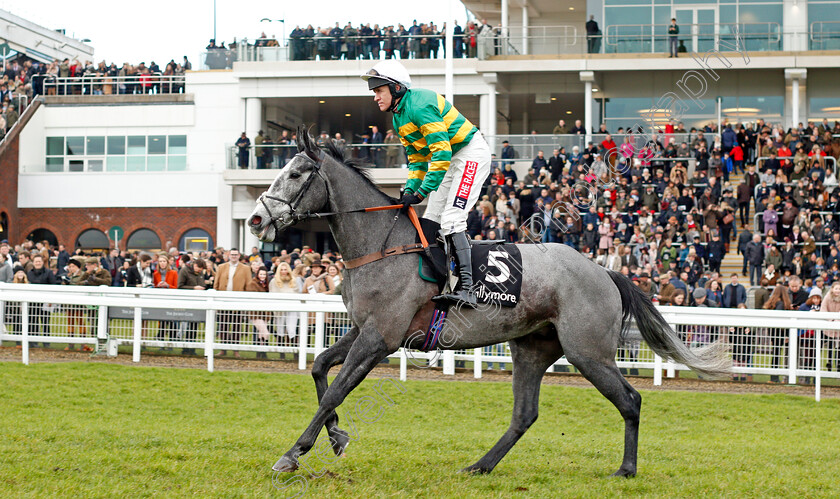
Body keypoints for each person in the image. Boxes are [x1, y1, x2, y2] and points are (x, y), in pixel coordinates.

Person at [362, 60, 490, 307]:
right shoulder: (399, 116)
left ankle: (469, 290)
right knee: (431, 218)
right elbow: (418, 159)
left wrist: (421, 192)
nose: (376, 97)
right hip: (451, 159)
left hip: (470, 153)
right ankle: (439, 281)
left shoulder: (419, 105)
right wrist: (410, 190)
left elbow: (440, 153)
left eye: (379, 91)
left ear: (396, 88)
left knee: (452, 218)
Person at [213, 248, 251, 357]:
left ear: (239, 256)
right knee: (223, 326)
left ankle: (235, 349)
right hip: (223, 301)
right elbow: (216, 284)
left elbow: (248, 285)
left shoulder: (245, 269)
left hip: (237, 302)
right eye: (232, 254)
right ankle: (223, 349)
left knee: (236, 326)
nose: (234, 256)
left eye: (236, 255)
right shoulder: (221, 267)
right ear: (228, 255)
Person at [269, 262, 303, 350]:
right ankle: (281, 352)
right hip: (280, 307)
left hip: (292, 307)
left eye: (285, 269)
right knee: (280, 328)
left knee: (292, 329)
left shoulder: (294, 281)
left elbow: (296, 294)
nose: (284, 272)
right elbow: (272, 295)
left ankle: (295, 350)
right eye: (282, 270)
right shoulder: (274, 281)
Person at [764, 284, 792, 382]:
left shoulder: (773, 303)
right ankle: (775, 377)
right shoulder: (781, 304)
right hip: (779, 332)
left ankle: (774, 376)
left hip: (772, 331)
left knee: (775, 354)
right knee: (777, 354)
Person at [246, 266, 271, 359]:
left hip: (265, 312)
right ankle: (260, 350)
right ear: (257, 274)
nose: (262, 276)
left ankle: (261, 352)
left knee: (261, 333)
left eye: (264, 274)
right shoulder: (253, 284)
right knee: (265, 332)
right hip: (256, 313)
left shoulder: (267, 284)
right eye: (261, 274)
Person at [819, 281, 840, 371]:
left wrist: (837, 319)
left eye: (839, 289)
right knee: (830, 345)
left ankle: (838, 363)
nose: (838, 291)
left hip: (839, 325)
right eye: (836, 288)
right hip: (829, 326)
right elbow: (823, 309)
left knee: (839, 347)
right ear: (832, 289)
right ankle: (829, 363)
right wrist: (830, 319)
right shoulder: (827, 297)